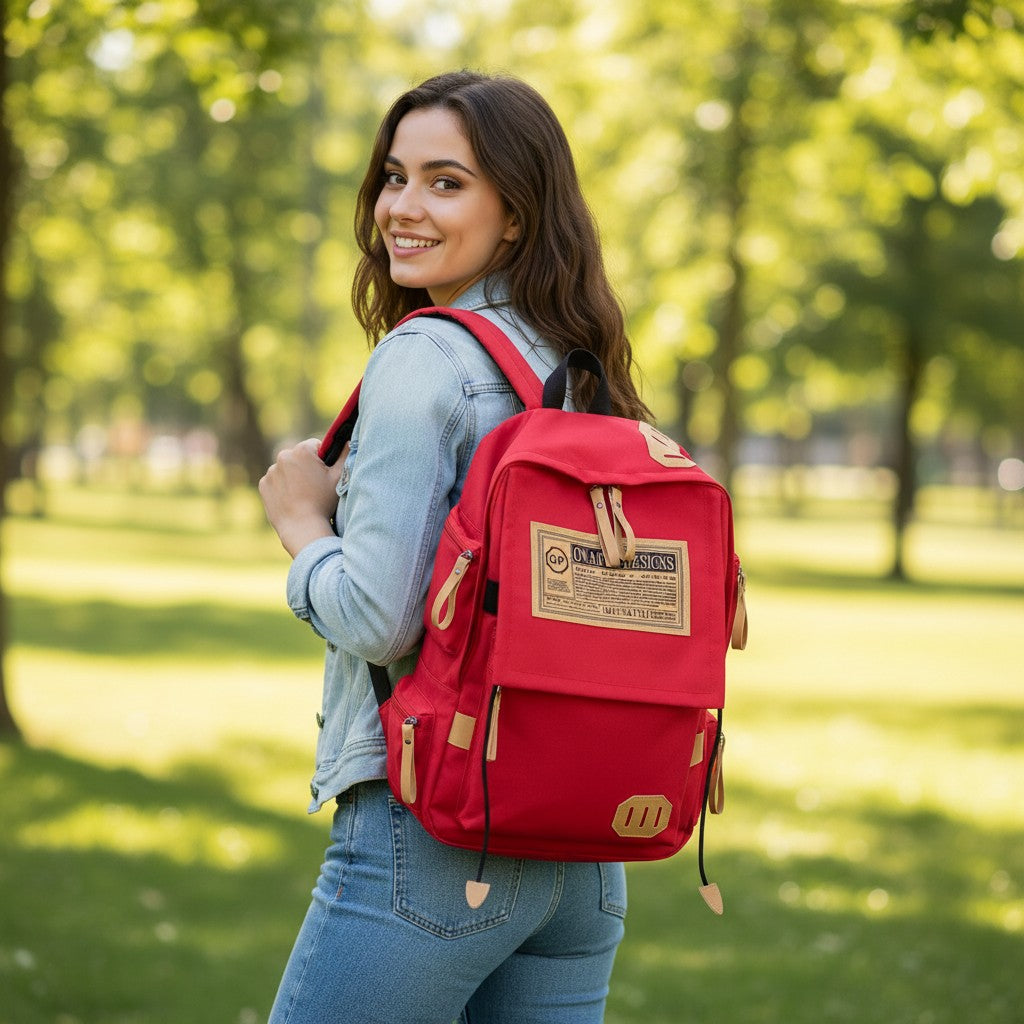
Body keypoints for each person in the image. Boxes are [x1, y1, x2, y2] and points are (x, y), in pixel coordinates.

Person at [258, 70, 651, 1024]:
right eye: (395, 177)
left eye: (446, 182)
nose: (402, 207)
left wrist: (302, 524)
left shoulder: (425, 357)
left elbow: (381, 618)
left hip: (435, 838)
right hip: (581, 853)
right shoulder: (575, 360)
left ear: (514, 212)